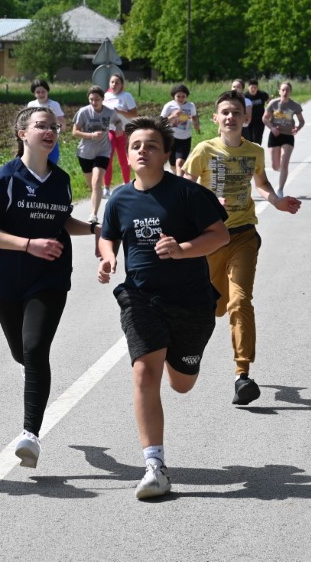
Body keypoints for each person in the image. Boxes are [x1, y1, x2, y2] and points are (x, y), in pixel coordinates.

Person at [97, 116, 230, 499]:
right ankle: (154, 467)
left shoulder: (187, 194)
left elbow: (219, 235)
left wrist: (183, 249)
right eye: (136, 145)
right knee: (144, 371)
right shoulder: (119, 198)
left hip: (191, 302)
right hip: (141, 297)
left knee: (182, 384)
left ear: (166, 153)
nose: (143, 151)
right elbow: (108, 238)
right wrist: (108, 258)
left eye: (152, 145)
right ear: (128, 153)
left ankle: (181, 360)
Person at [0, 105, 98, 470]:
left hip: (50, 276)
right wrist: (29, 244)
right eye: (41, 125)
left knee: (36, 349)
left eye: (54, 126)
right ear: (22, 133)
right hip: (7, 278)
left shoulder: (61, 179)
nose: (50, 131)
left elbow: (61, 221)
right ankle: (32, 377)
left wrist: (94, 229)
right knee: (22, 354)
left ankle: (30, 435)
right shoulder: (2, 181)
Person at [184, 90, 302, 406]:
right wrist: (208, 202)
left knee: (240, 301)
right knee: (214, 307)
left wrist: (276, 201)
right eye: (225, 112)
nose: (230, 117)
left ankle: (242, 375)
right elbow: (184, 187)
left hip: (243, 236)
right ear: (215, 118)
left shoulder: (254, 152)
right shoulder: (204, 150)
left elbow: (261, 184)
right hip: (210, 238)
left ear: (246, 118)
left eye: (236, 112)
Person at [72, 85, 113, 223]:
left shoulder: (110, 112)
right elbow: (75, 132)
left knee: (96, 182)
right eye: (91, 99)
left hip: (103, 151)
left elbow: (120, 123)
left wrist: (119, 128)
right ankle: (96, 196)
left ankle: (93, 215)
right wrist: (90, 135)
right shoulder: (83, 112)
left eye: (97, 99)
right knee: (92, 186)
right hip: (85, 152)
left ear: (102, 99)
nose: (94, 102)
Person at [262, 81, 305, 197]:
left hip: (288, 136)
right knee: (275, 166)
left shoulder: (295, 105)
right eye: (283, 90)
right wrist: (272, 128)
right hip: (275, 135)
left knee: (284, 162)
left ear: (290, 92)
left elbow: (302, 121)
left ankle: (280, 189)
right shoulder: (273, 103)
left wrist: (297, 128)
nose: (285, 92)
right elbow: (265, 118)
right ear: (279, 91)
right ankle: (281, 170)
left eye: (287, 90)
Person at [103, 73, 138, 197]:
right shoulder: (105, 96)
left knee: (124, 159)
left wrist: (119, 111)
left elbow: (134, 114)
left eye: (117, 82)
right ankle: (106, 187)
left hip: (123, 131)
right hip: (109, 131)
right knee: (108, 159)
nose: (114, 84)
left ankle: (126, 184)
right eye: (112, 82)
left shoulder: (126, 96)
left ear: (122, 85)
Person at [159, 83, 200, 175]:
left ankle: (179, 181)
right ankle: (176, 176)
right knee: (173, 164)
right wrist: (173, 116)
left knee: (180, 162)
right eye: (178, 96)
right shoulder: (169, 106)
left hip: (185, 139)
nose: (181, 98)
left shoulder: (191, 106)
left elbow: (194, 116)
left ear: (187, 96)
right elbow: (161, 121)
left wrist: (196, 124)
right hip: (171, 138)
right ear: (174, 96)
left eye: (183, 96)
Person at [27, 79, 66, 167]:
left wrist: (54, 117)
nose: (41, 94)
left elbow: (63, 125)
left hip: (50, 140)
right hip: (36, 141)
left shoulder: (54, 105)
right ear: (34, 93)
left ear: (47, 91)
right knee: (36, 166)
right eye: (38, 92)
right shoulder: (31, 105)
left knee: (51, 165)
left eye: (43, 91)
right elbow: (27, 123)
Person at [243, 79, 270, 144]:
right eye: (251, 87)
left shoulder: (262, 94)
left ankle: (257, 150)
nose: (253, 89)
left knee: (258, 138)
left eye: (255, 88)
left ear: (257, 88)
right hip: (249, 120)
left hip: (260, 120)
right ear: (248, 88)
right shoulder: (245, 96)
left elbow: (270, 103)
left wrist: (269, 114)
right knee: (249, 139)